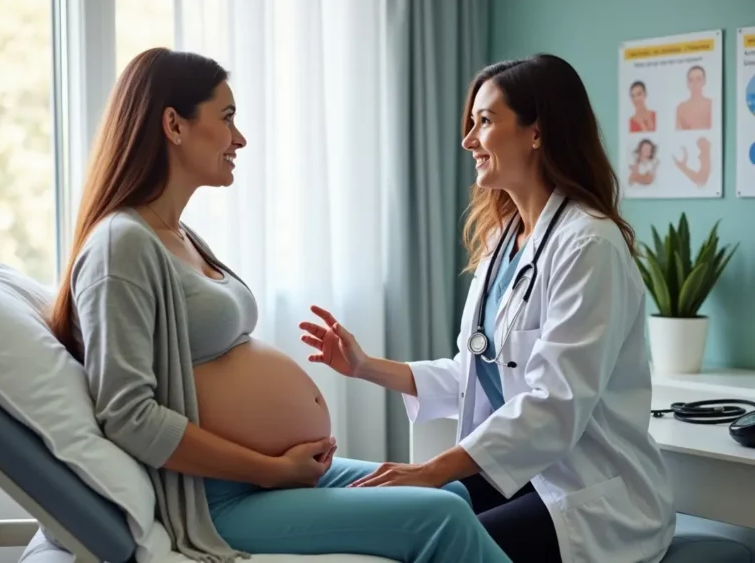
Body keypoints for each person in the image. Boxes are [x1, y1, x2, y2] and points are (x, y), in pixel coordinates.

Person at [46, 47, 510, 563]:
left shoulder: (180, 235)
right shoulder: (122, 246)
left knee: (447, 494)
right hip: (221, 496)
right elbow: (129, 416)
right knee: (439, 516)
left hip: (268, 477)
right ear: (174, 125)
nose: (240, 138)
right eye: (227, 119)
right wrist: (270, 469)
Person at [299, 53, 677, 563]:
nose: (468, 140)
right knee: (393, 525)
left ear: (536, 132)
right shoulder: (504, 242)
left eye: (484, 121)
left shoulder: (589, 244)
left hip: (589, 495)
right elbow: (475, 374)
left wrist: (434, 469)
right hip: (524, 478)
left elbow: (553, 404)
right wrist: (366, 367)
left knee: (433, 542)